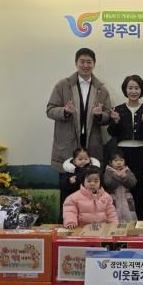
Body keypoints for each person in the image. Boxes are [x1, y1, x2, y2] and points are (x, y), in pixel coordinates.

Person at [46, 47, 112, 220]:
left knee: (91, 193)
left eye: (89, 62)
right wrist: (65, 111)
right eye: (82, 61)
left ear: (94, 64)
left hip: (91, 147)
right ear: (76, 63)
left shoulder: (101, 89)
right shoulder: (63, 85)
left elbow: (108, 116)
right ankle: (66, 225)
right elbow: (50, 110)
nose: (85, 65)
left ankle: (91, 226)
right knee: (68, 192)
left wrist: (100, 115)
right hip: (68, 147)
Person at [107, 75, 143, 219]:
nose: (133, 91)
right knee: (122, 186)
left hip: (141, 153)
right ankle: (120, 220)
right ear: (125, 90)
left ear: (141, 90)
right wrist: (115, 121)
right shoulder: (117, 109)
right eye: (130, 88)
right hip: (122, 154)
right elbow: (112, 132)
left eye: (136, 88)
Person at [59, 147, 101, 220]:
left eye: (86, 159)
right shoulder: (69, 172)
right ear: (74, 161)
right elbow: (61, 185)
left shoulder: (94, 172)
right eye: (80, 159)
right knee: (71, 219)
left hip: (88, 204)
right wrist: (69, 181)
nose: (83, 161)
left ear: (90, 160)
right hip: (72, 204)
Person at [103, 150, 138, 223]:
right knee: (114, 217)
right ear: (110, 162)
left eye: (121, 160)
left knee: (130, 219)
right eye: (116, 160)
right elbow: (109, 185)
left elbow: (133, 183)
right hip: (113, 199)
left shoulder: (127, 171)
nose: (119, 163)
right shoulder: (108, 172)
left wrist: (125, 177)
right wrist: (117, 177)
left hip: (127, 199)